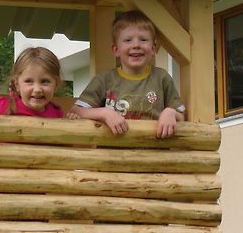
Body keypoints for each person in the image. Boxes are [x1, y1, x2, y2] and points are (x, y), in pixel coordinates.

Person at [68, 10, 185, 138]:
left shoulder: (162, 78)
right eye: (128, 40)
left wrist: (170, 112)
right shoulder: (105, 79)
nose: (136, 45)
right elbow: (76, 111)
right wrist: (105, 113)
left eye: (143, 39)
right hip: (113, 155)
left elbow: (181, 115)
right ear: (116, 50)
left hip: (155, 154)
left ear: (153, 49)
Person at [0, 46, 64, 120]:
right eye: (29, 81)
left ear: (56, 84)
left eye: (45, 82)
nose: (37, 89)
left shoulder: (56, 112)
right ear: (17, 84)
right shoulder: (4, 106)